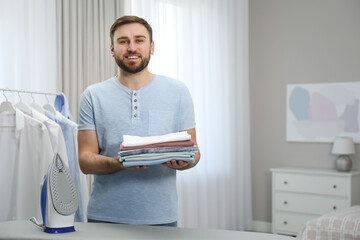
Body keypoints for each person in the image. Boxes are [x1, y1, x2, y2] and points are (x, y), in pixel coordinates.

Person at [77, 15, 200, 226]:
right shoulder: (93, 95)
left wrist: (181, 161)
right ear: (112, 49)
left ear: (151, 47)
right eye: (123, 41)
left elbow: (194, 153)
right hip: (104, 218)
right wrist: (119, 163)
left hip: (161, 218)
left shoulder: (178, 92)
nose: (131, 47)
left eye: (139, 40)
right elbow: (85, 161)